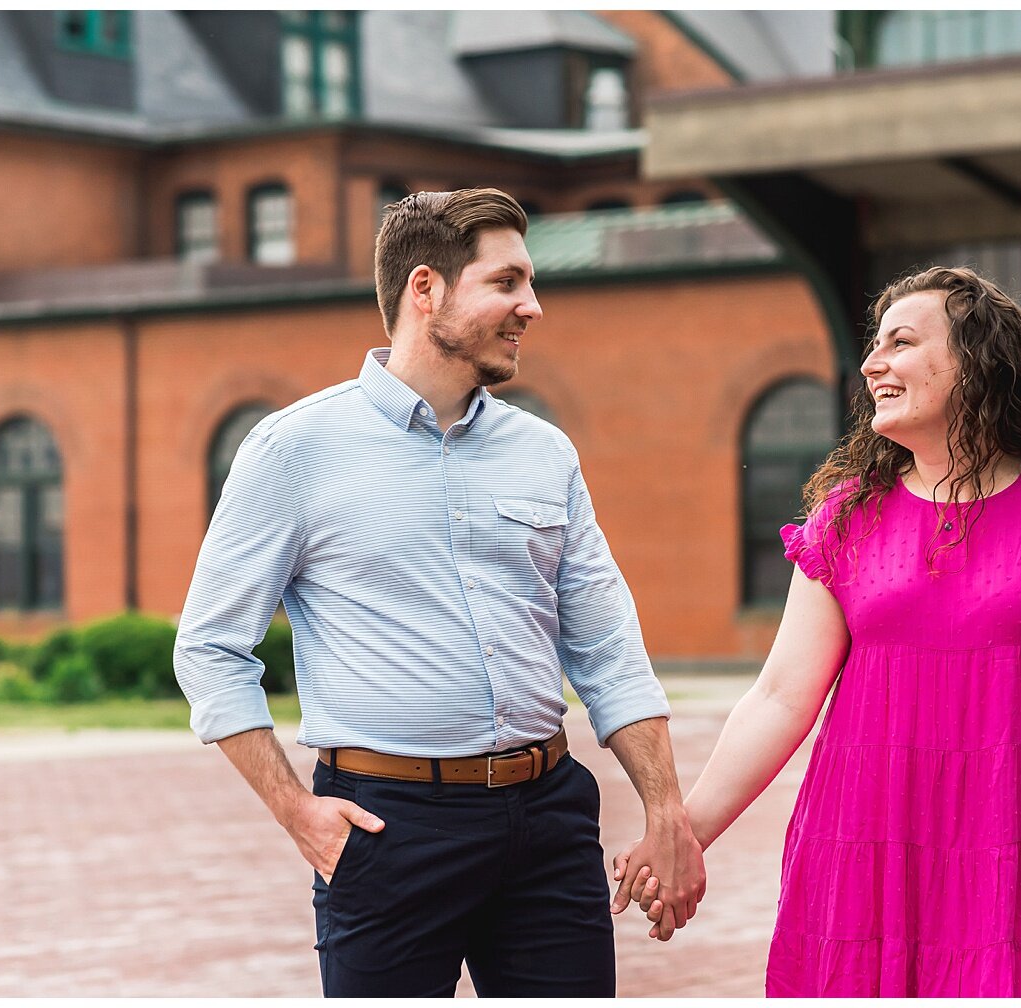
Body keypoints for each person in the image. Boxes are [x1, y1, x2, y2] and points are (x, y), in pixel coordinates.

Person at [611, 265, 1021, 996]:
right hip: (858, 864)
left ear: (977, 362)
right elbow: (779, 698)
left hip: (1014, 864)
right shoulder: (846, 517)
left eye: (900, 342)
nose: (872, 364)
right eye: (874, 346)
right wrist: (687, 831)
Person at [174, 188, 704, 998]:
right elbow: (209, 648)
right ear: (426, 290)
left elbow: (606, 649)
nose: (532, 306)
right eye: (507, 283)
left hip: (550, 820)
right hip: (388, 830)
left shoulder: (545, 454)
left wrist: (666, 813)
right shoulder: (293, 450)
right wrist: (298, 814)